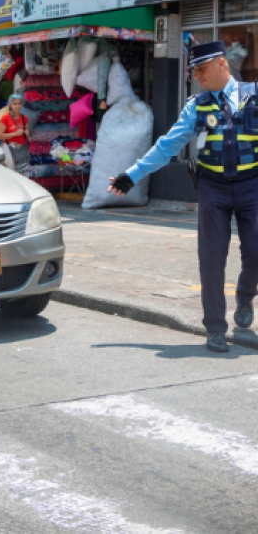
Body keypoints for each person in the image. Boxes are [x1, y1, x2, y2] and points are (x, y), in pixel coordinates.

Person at [110, 41, 258, 353]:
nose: (198, 76)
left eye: (202, 69)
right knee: (211, 259)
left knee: (256, 252)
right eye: (195, 71)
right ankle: (215, 328)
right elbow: (167, 146)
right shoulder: (196, 105)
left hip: (252, 186)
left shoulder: (252, 96)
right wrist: (131, 175)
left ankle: (245, 296)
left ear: (221, 64)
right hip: (213, 189)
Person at [0, 94, 30, 175]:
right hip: (9, 148)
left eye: (19, 103)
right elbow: (0, 135)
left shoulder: (24, 118)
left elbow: (27, 130)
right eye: (14, 104)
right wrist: (15, 134)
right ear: (10, 105)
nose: (17, 106)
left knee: (24, 173)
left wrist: (26, 132)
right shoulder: (5, 118)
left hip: (22, 149)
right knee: (12, 172)